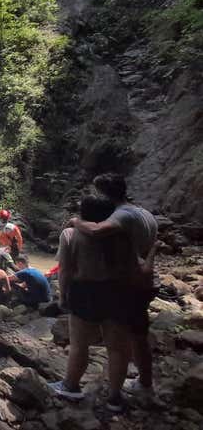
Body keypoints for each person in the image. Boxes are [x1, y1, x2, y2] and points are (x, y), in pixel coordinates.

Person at [70, 173, 159, 407]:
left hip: (126, 286)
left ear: (105, 194)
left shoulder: (121, 215)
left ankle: (114, 396)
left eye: (96, 191)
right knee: (139, 337)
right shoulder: (144, 213)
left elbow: (97, 231)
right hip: (144, 282)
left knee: (117, 344)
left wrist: (75, 222)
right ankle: (145, 385)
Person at [49, 195, 133, 411]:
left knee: (79, 344)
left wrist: (62, 295)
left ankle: (71, 386)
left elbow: (65, 270)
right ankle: (115, 397)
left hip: (84, 291)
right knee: (117, 348)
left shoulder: (70, 234)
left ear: (82, 212)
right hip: (117, 291)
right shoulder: (121, 235)